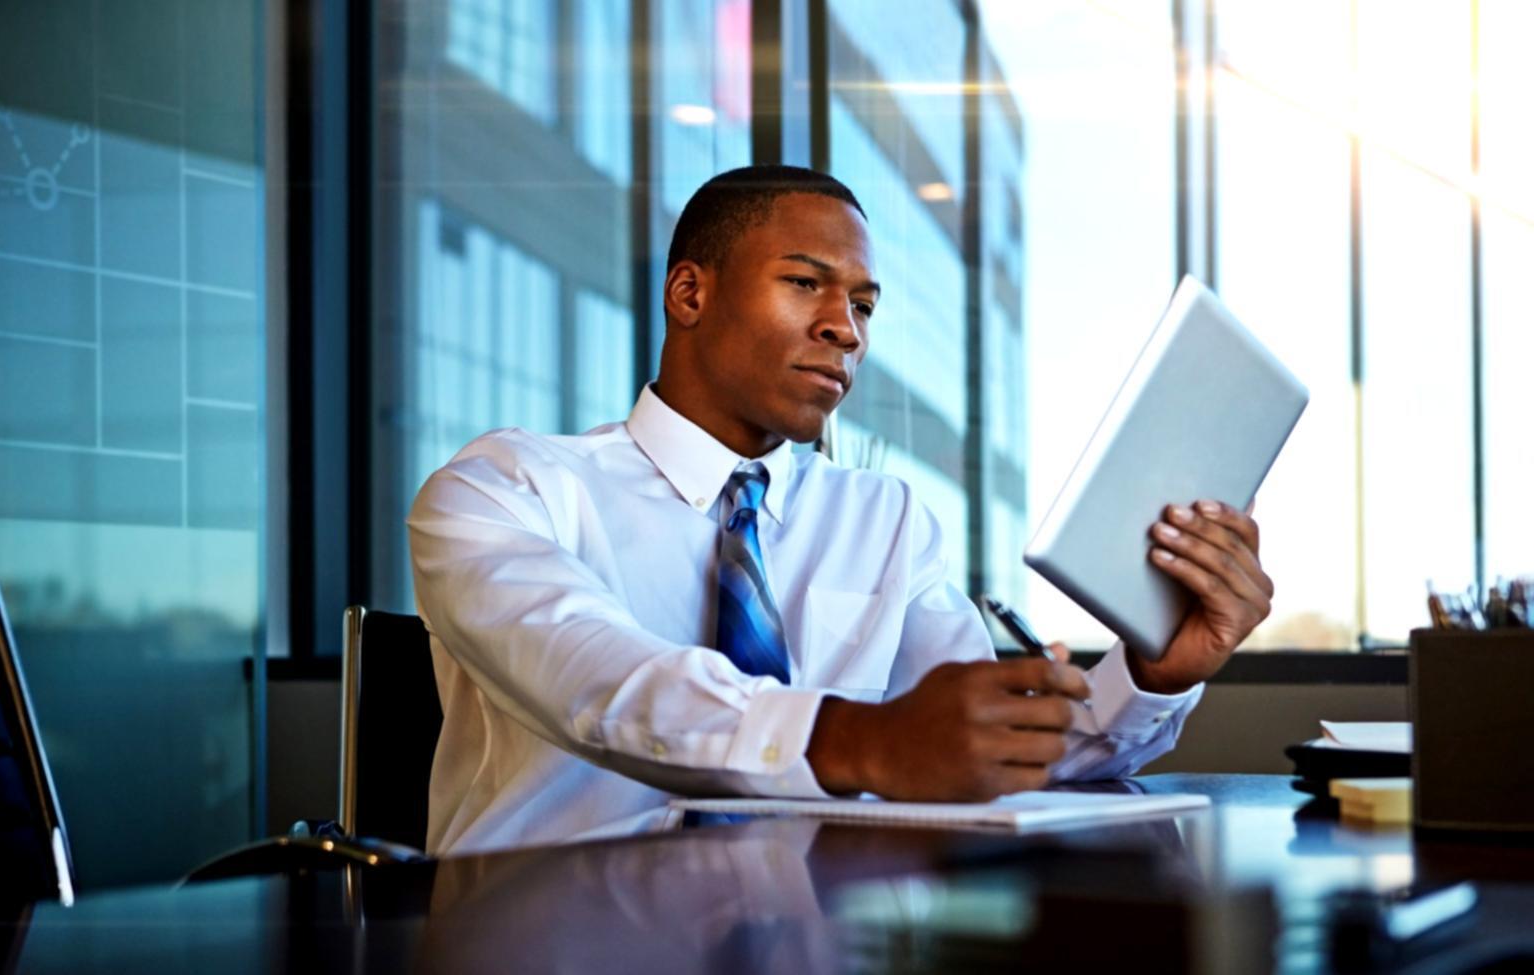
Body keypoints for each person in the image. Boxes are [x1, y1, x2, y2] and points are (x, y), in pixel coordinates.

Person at [408, 165, 1275, 854]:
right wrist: (861, 739)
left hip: (814, 930)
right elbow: (606, 681)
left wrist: (1158, 667)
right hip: (543, 937)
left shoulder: (887, 518)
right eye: (804, 284)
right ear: (689, 294)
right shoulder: (503, 490)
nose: (846, 328)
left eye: (861, 305)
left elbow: (988, 746)